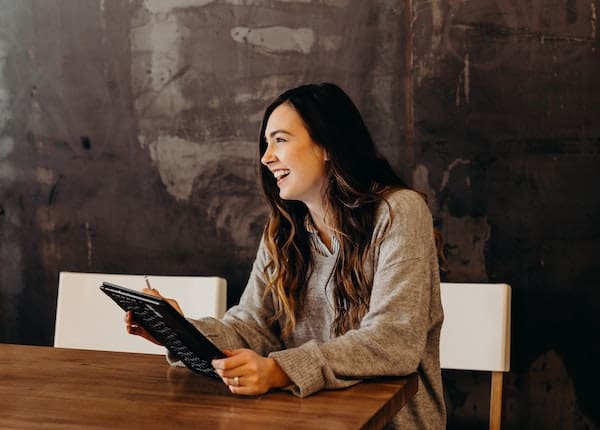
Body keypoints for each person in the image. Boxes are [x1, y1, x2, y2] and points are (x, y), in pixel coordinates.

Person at [126, 83, 446, 429]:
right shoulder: (283, 232)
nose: (266, 157)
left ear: (327, 145)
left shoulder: (399, 212)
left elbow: (393, 340)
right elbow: (251, 327)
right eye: (266, 144)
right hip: (304, 419)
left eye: (280, 139)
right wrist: (180, 331)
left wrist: (279, 370)